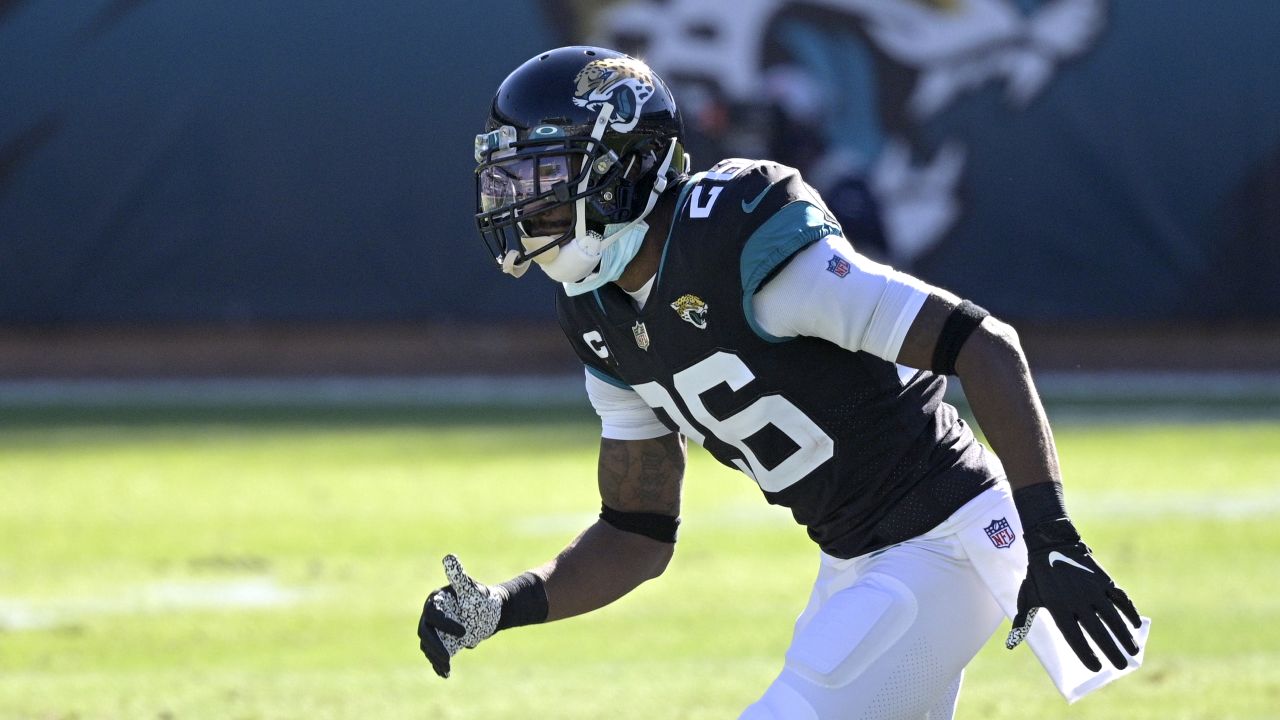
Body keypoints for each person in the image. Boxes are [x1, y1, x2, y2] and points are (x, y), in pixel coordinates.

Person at [418, 46, 1146, 719]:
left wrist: (1053, 535)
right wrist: (502, 604)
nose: (523, 208)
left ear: (627, 166)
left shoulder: (737, 241)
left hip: (944, 540)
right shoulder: (595, 310)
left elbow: (982, 345)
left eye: (547, 179)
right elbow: (634, 532)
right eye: (513, 182)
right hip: (854, 561)